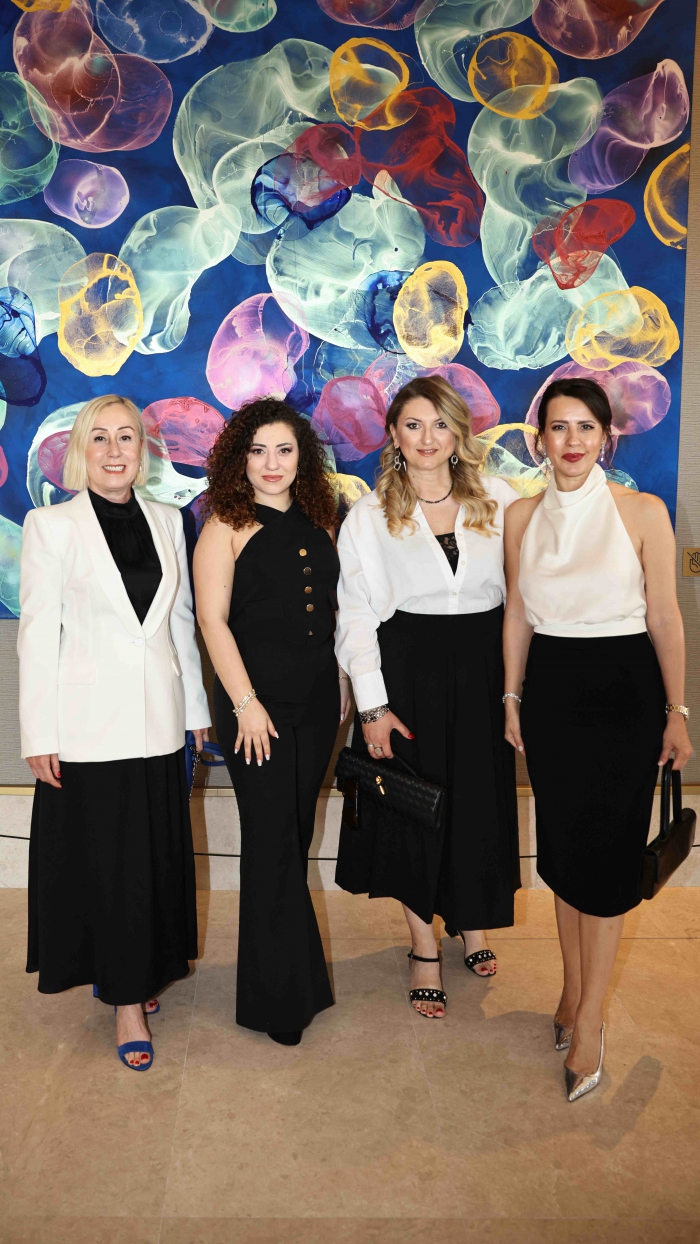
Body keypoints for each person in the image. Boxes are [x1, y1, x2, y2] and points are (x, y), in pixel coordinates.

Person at [503, 376, 693, 1101]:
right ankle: (572, 989)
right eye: (559, 427)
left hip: (624, 693)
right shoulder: (521, 516)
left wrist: (677, 711)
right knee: (562, 851)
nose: (573, 440)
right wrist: (512, 697)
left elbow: (665, 616)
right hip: (550, 691)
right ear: (540, 439)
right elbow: (516, 615)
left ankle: (590, 1021)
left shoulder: (643, 512)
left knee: (608, 860)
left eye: (587, 427)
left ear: (607, 437)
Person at [19, 394, 211, 1071]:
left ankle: (141, 967)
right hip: (87, 726)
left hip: (159, 720)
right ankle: (126, 999)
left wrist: (194, 710)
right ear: (81, 449)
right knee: (110, 864)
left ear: (143, 448)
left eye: (125, 436)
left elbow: (179, 621)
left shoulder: (168, 519)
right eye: (98, 437)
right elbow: (37, 634)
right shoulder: (51, 525)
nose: (113, 450)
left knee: (152, 860)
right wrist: (38, 731)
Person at [335, 375, 521, 1019]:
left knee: (477, 805)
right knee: (415, 812)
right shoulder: (367, 514)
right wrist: (372, 706)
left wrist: (515, 690)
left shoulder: (499, 499)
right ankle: (423, 948)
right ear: (393, 434)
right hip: (406, 674)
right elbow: (355, 617)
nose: (427, 438)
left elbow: (524, 597)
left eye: (440, 424)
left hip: (483, 669)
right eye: (413, 424)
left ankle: (473, 919)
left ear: (458, 433)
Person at [194, 398, 350, 1046]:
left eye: (284, 450)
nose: (271, 463)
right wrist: (245, 704)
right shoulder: (224, 525)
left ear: (301, 457)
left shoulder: (322, 517)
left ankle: (299, 979)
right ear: (239, 459)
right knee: (270, 838)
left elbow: (335, 611)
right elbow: (211, 621)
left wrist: (342, 679)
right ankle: (275, 1001)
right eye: (257, 451)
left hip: (315, 702)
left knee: (295, 833)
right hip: (253, 707)